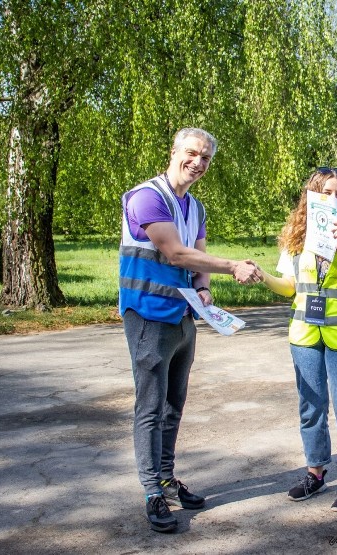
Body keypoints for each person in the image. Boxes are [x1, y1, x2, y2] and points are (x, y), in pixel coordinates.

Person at [119, 127, 259, 533]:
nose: (198, 163)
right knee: (150, 407)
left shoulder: (195, 207)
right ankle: (152, 492)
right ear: (175, 151)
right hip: (147, 315)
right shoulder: (147, 196)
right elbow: (175, 252)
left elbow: (194, 260)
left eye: (206, 158)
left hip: (183, 317)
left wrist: (204, 287)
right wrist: (232, 265)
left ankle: (165, 477)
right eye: (193, 153)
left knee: (173, 405)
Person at [254, 167, 337, 512]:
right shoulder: (296, 238)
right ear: (312, 198)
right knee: (311, 408)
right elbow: (289, 286)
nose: (334, 200)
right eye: (326, 193)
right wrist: (262, 275)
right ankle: (316, 472)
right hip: (305, 334)